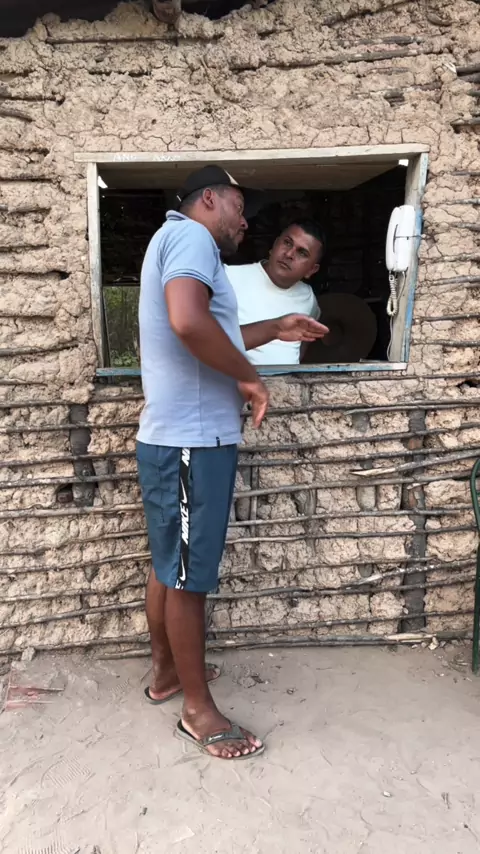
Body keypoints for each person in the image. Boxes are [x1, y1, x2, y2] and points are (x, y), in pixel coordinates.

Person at [136, 165, 328, 761]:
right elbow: (188, 322)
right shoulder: (191, 236)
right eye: (239, 208)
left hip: (182, 437)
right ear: (209, 201)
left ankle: (167, 674)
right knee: (188, 578)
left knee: (170, 565)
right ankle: (198, 712)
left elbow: (209, 329)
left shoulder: (176, 241)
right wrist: (249, 379)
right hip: (192, 440)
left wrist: (276, 328)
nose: (245, 223)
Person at [225, 221, 325, 365]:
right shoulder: (229, 277)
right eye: (287, 243)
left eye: (302, 253)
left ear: (311, 270)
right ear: (274, 245)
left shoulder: (308, 297)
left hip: (287, 379)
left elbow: (303, 344)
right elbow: (207, 340)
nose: (289, 254)